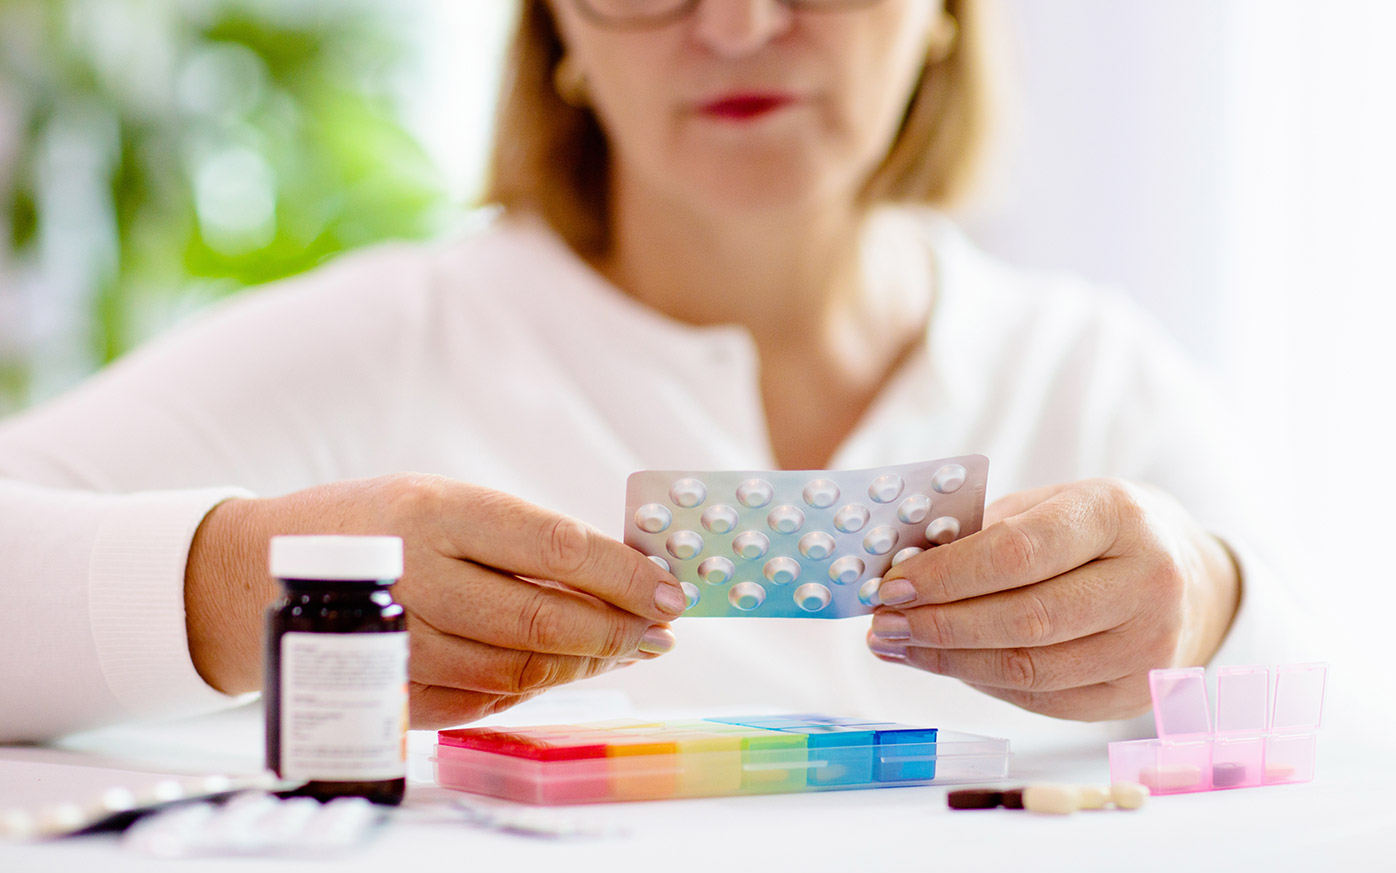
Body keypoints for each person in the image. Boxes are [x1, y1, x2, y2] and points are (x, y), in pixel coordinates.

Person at [0, 0, 1305, 744]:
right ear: (556, 29)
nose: (737, 23)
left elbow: (1351, 723)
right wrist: (247, 585)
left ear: (948, 18)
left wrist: (1212, 605)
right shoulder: (389, 341)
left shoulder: (1090, 370)